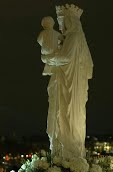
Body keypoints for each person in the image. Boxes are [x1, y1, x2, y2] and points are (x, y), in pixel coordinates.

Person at [39, 4, 93, 159]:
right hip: (65, 82)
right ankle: (66, 152)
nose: (60, 26)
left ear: (70, 21)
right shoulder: (71, 37)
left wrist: (46, 58)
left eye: (62, 22)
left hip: (69, 86)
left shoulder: (74, 37)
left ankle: (69, 154)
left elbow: (65, 58)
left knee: (66, 117)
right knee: (66, 117)